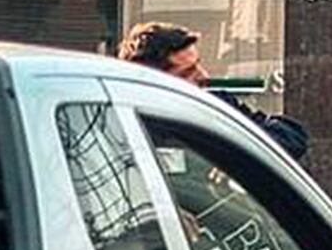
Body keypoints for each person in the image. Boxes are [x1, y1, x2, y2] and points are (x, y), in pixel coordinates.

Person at [117, 22, 310, 162]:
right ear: (155, 83)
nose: (203, 76)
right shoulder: (127, 124)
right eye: (188, 72)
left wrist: (231, 156)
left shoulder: (215, 103)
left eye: (198, 65)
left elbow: (291, 139)